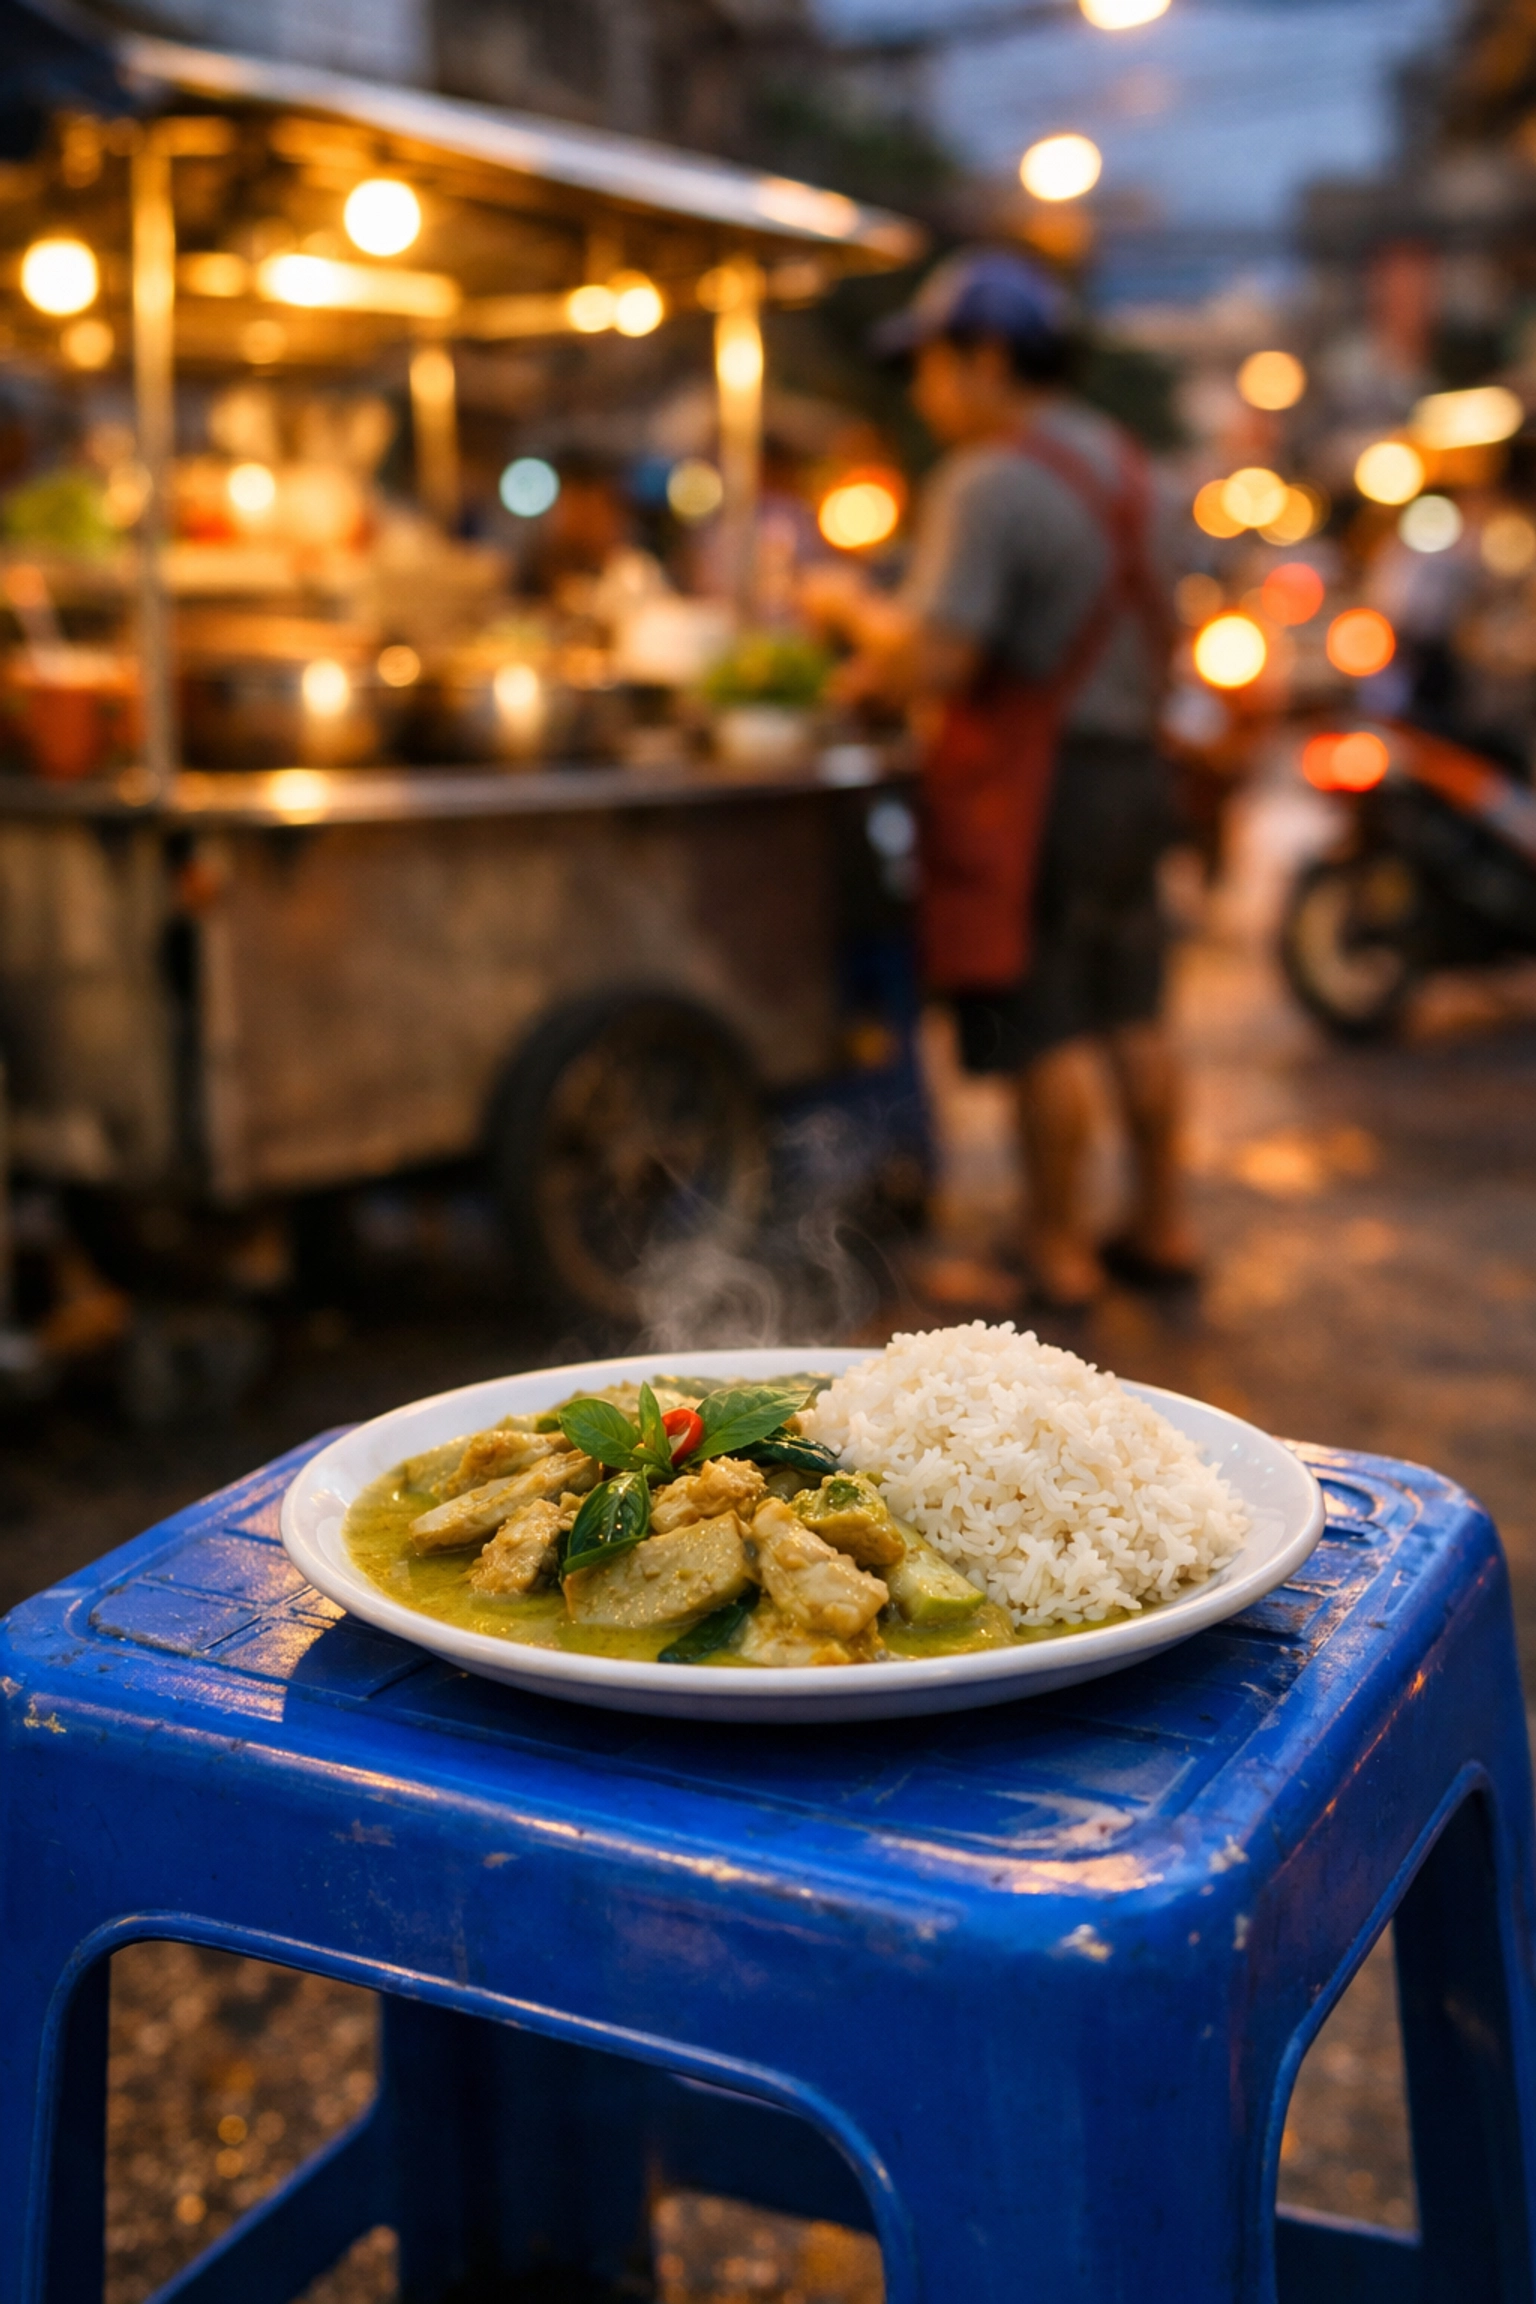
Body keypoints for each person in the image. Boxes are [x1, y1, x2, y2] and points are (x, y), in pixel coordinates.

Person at [812, 249, 1196, 1311]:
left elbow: (938, 660)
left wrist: (850, 618)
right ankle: (1161, 1225)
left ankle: (1054, 1249)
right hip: (1134, 772)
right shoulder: (1140, 471)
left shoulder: (989, 480)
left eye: (930, 365)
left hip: (1039, 792)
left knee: (1048, 1022)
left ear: (986, 358)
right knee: (1135, 1008)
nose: (922, 393)